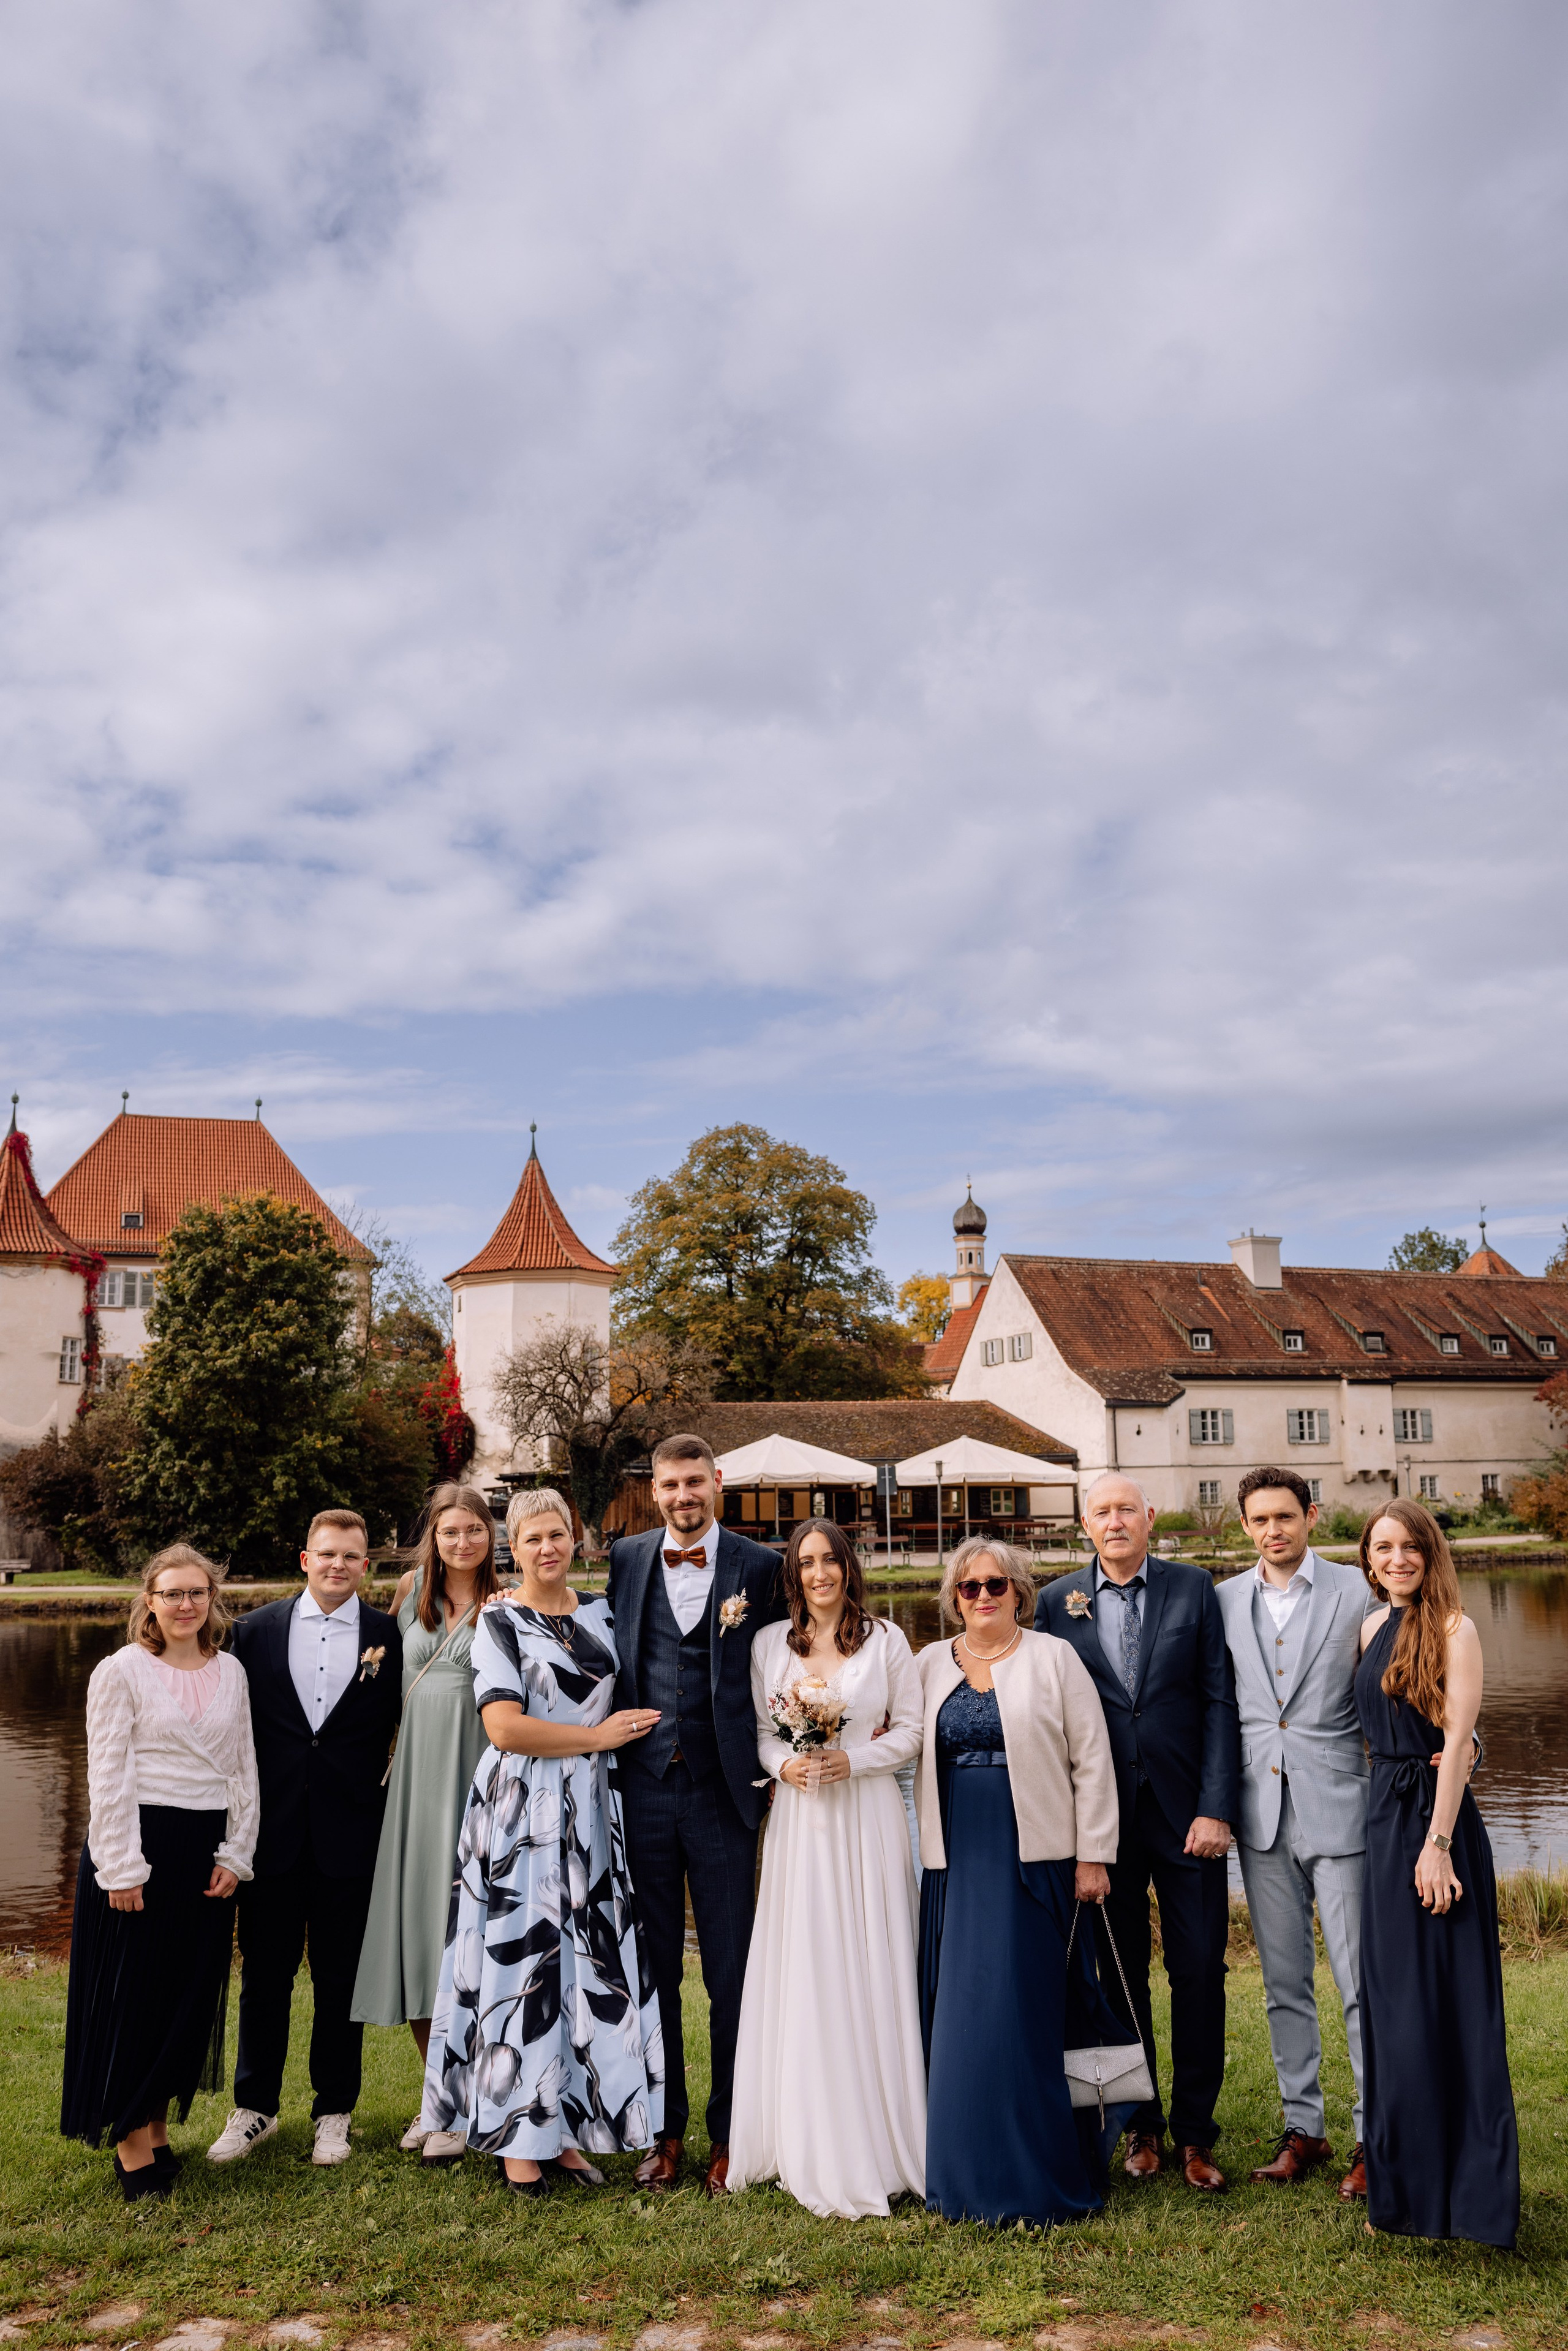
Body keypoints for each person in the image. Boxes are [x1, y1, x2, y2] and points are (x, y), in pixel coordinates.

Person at [417, 1489, 663, 2192]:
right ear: (513, 1548)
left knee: (584, 1968)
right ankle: (512, 2139)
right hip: (522, 1808)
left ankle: (566, 2132)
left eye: (558, 1534)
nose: (547, 1548)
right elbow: (504, 1727)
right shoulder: (499, 1620)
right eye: (532, 1539)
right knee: (518, 1967)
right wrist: (595, 1738)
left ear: (575, 1538)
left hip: (589, 1809)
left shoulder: (603, 1611)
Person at [1036, 1473, 1240, 2191]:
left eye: (1127, 1509)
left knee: (1197, 1972)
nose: (1115, 1521)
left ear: (1149, 1518)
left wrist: (1217, 1807)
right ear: (1083, 1524)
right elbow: (1042, 1710)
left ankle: (1195, 2135)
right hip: (1102, 1821)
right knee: (1120, 1976)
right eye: (1102, 1512)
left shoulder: (1193, 1588)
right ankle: (1141, 2127)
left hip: (1189, 1816)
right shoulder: (1054, 1601)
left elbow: (1219, 1699)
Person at [917, 1536, 1123, 2230]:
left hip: (1035, 1858)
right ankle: (957, 2174)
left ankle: (1037, 2172)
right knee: (959, 2019)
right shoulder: (924, 1665)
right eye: (969, 1587)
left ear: (1019, 1593)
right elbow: (888, 1746)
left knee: (1022, 2011)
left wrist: (1092, 1855)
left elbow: (1092, 1759)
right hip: (953, 1861)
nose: (981, 1597)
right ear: (953, 1595)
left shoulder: (1053, 1657)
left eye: (995, 1586)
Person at [604, 1434, 787, 2196]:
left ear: (719, 1482)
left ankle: (728, 2133)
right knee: (651, 1975)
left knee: (729, 1972)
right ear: (655, 1491)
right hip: (642, 1785)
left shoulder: (761, 1566)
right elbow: (595, 1636)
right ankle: (663, 2131)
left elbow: (789, 1656)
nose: (683, 1496)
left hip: (723, 1790)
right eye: (670, 1485)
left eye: (695, 1483)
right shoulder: (626, 1557)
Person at [728, 1519, 926, 2218]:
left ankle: (884, 2135)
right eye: (806, 1562)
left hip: (868, 1818)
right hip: (801, 1825)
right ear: (793, 1573)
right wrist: (785, 1763)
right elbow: (756, 1731)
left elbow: (911, 1729)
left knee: (875, 1962)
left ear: (849, 1566)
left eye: (830, 1561)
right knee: (809, 1964)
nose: (819, 1574)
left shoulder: (888, 1641)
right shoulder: (765, 1646)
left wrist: (855, 1759)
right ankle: (805, 2132)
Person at [61, 1545, 258, 2200]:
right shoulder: (122, 1670)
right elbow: (108, 1774)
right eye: (171, 1593)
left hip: (203, 1851)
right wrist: (120, 1865)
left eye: (196, 1592)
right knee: (130, 1996)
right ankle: (128, 2140)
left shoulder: (230, 1669)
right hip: (138, 1847)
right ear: (150, 1600)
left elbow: (242, 1767)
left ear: (212, 1598)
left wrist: (236, 1851)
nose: (184, 1605)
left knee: (186, 1991)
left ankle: (155, 2123)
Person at [213, 1509, 402, 2168]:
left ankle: (334, 2111)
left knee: (339, 1979)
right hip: (271, 1838)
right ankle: (253, 2107)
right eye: (327, 1554)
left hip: (352, 1837)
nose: (338, 1566)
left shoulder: (389, 1634)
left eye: (351, 1556)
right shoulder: (253, 1631)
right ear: (304, 1559)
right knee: (264, 1976)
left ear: (366, 1565)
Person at [1354, 1500, 1518, 2249]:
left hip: (1434, 1823)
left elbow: (1456, 1744)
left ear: (1431, 1553)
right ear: (1367, 1556)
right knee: (1395, 2006)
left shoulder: (1457, 1628)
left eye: (1409, 1546)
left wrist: (1439, 1843)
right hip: (1382, 1822)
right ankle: (1405, 2193)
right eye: (1382, 1547)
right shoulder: (1368, 1627)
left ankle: (1470, 2198)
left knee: (1448, 2004)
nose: (1396, 1559)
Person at [1217, 1468, 1374, 2198]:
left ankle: (1377, 2132)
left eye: (1285, 1516)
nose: (1273, 1530)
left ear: (1311, 1515)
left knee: (1357, 1979)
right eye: (1259, 1520)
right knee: (1284, 1981)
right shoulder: (1221, 1601)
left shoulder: (1356, 1591)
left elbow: (1404, 1678)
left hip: (1341, 1804)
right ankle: (1303, 2129)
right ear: (1244, 1526)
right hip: (1258, 1812)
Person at [352, 1482, 502, 2147]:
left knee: (470, 1939)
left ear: (490, 1535)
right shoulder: (411, 1592)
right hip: (415, 1779)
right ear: (434, 1537)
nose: (463, 1540)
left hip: (479, 1775)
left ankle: (473, 2099)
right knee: (420, 1934)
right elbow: (381, 1683)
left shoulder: (506, 1601)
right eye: (451, 1531)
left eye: (474, 1529)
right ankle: (437, 2097)